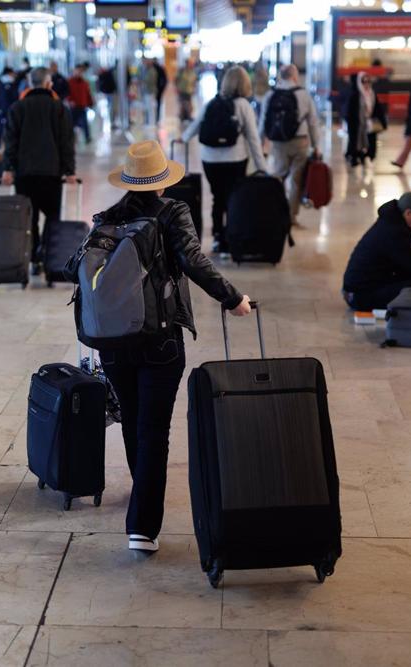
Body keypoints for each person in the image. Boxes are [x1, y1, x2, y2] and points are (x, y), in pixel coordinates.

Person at [98, 140, 252, 553]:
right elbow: (194, 261)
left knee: (133, 421)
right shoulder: (172, 212)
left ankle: (141, 495)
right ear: (162, 183)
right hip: (158, 337)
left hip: (111, 340)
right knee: (153, 431)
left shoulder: (107, 218)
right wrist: (233, 298)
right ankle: (143, 527)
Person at [182, 65, 269, 254]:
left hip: (210, 160)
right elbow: (253, 139)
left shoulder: (212, 103)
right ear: (245, 84)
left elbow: (194, 127)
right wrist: (263, 167)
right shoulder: (244, 106)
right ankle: (230, 238)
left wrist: (182, 139)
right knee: (232, 199)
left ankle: (217, 238)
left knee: (217, 198)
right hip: (235, 159)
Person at [2, 68, 77, 274]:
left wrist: (8, 168)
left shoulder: (17, 107)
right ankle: (49, 256)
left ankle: (34, 257)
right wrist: (69, 170)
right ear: (48, 83)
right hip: (51, 174)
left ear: (29, 82)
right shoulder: (59, 108)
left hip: (24, 174)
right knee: (53, 217)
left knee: (29, 217)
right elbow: (66, 142)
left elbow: (10, 141)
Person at [260, 64, 322, 228]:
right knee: (296, 180)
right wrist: (317, 145)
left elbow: (263, 121)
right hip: (300, 141)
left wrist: (261, 143)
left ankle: (275, 211)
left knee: (278, 176)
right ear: (295, 76)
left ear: (281, 76)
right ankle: (291, 216)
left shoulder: (271, 94)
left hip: (279, 142)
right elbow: (313, 123)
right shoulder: (304, 94)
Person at [343, 71, 385, 166]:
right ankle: (355, 156)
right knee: (356, 141)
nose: (366, 84)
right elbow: (350, 111)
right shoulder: (355, 95)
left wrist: (382, 121)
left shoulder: (372, 94)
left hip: (370, 123)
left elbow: (377, 108)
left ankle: (367, 156)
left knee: (371, 142)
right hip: (357, 124)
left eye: (368, 81)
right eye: (364, 82)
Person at [0, 67, 19, 150]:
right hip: (6, 109)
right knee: (5, 128)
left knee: (3, 127)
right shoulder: (4, 84)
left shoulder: (0, 83)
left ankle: (0, 144)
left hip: (3, 109)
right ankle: (0, 144)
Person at [67, 62, 94, 144]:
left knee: (85, 123)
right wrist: (70, 101)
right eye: (77, 71)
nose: (79, 73)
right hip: (73, 106)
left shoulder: (85, 82)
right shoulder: (69, 82)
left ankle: (87, 137)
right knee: (71, 123)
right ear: (74, 71)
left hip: (82, 105)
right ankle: (70, 138)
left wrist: (90, 102)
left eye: (80, 71)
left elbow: (87, 93)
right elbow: (67, 93)